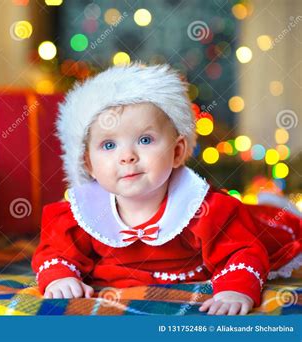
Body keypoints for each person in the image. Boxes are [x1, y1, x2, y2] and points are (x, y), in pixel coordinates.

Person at [31, 64, 301, 315]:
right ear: (88, 163)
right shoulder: (84, 215)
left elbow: (240, 250)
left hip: (237, 235)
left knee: (264, 227)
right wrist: (60, 276)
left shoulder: (204, 209)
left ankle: (277, 208)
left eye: (145, 139)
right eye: (109, 145)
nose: (127, 156)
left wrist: (235, 288)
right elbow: (55, 251)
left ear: (177, 151)